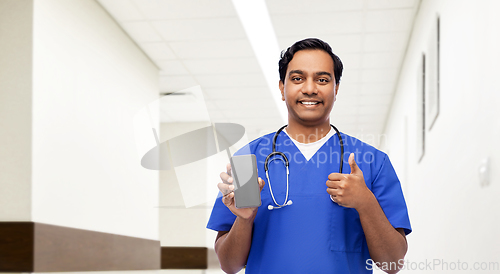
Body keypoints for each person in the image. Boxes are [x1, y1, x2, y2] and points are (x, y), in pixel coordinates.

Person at [207, 38, 411, 274]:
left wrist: (366, 203)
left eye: (322, 79)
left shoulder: (372, 161)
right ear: (282, 88)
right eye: (297, 78)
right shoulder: (248, 160)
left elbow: (392, 263)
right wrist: (245, 219)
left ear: (336, 89)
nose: (310, 88)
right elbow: (229, 266)